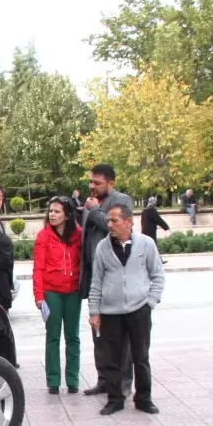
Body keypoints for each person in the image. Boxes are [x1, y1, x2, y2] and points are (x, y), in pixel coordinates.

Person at [88, 204, 164, 416]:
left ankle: (144, 399)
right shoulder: (103, 247)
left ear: (129, 221)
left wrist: (150, 302)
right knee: (112, 358)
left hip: (139, 309)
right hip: (110, 312)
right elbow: (96, 282)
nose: (109, 225)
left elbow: (158, 275)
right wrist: (94, 311)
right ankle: (115, 399)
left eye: (114, 220)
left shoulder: (146, 244)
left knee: (141, 356)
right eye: (108, 221)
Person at [79, 165, 134, 398]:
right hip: (94, 278)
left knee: (122, 337)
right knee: (98, 332)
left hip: (115, 278)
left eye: (97, 183)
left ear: (111, 183)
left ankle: (122, 383)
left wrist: (94, 211)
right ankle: (104, 380)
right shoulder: (91, 203)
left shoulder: (122, 200)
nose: (92, 186)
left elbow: (115, 230)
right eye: (91, 182)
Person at [34, 197, 83, 394]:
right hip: (51, 292)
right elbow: (38, 267)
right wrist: (39, 295)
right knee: (52, 337)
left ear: (68, 215)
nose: (52, 215)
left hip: (73, 292)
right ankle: (53, 381)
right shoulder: (44, 236)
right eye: (50, 211)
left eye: (57, 211)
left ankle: (73, 380)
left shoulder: (78, 234)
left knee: (73, 337)